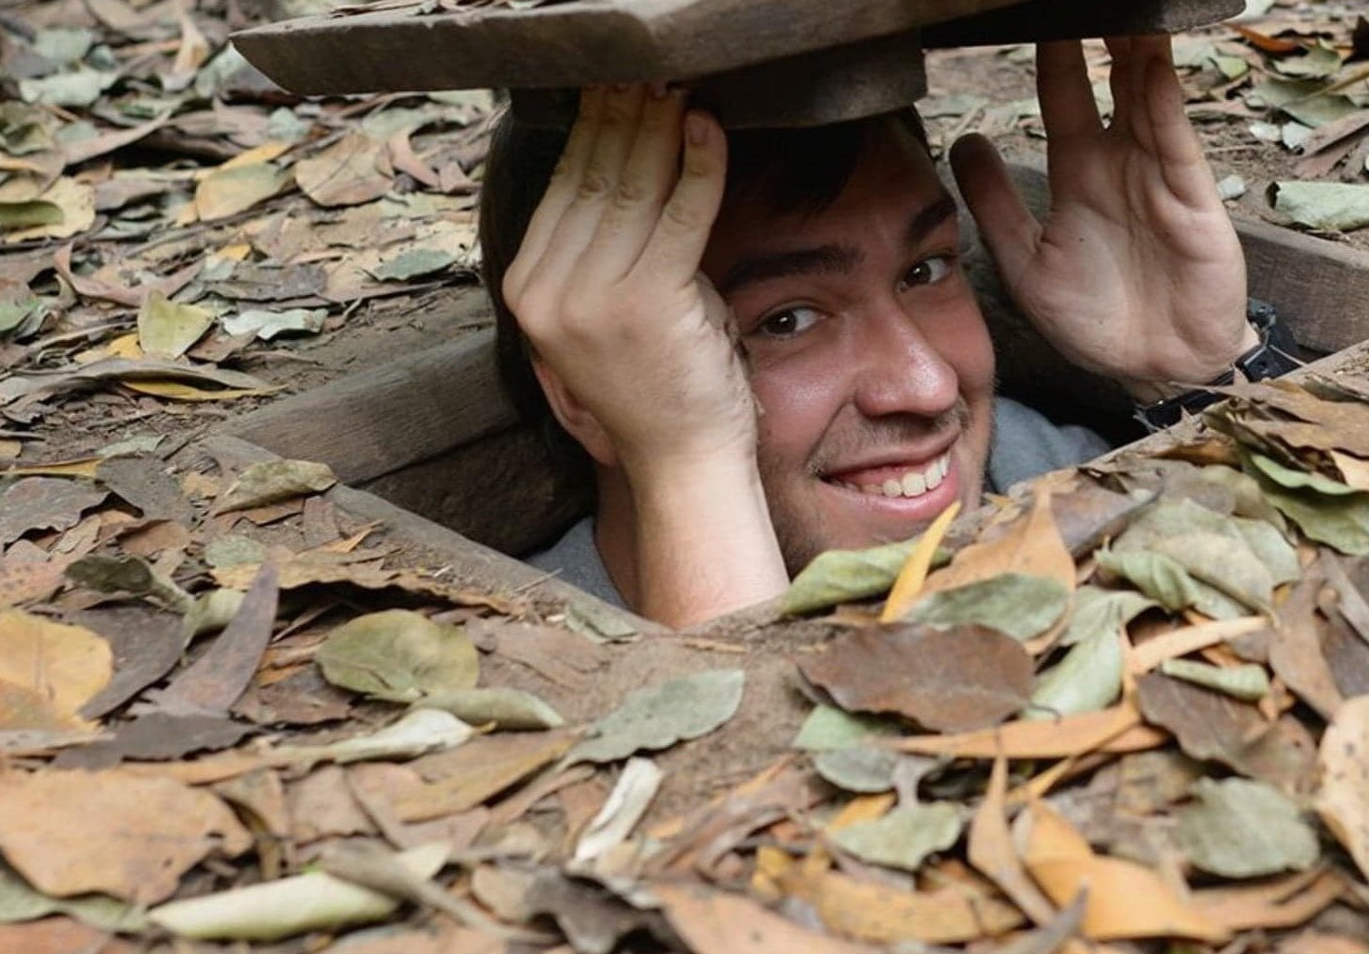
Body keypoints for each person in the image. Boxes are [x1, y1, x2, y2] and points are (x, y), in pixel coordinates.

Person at [479, 36, 1273, 628]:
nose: (926, 388)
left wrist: (1199, 376)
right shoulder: (522, 667)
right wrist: (688, 468)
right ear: (584, 394)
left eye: (924, 271)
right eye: (785, 321)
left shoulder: (1042, 475)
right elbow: (768, 817)